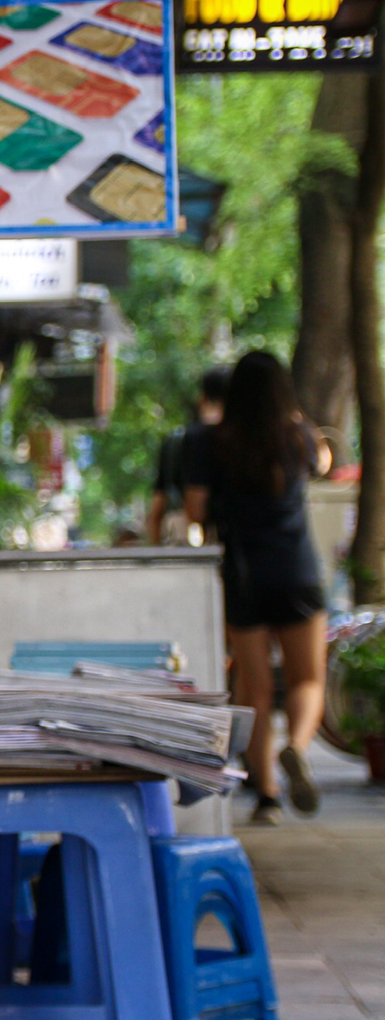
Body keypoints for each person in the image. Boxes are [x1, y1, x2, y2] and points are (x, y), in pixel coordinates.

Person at [184, 351, 330, 825]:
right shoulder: (298, 437)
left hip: (243, 575)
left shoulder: (210, 442)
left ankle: (266, 793)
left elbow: (195, 511)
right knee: (307, 677)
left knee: (255, 687)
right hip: (297, 572)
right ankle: (298, 747)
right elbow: (325, 462)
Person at [148, 366, 230, 545]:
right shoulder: (251, 442)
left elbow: (157, 509)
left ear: (202, 399)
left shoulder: (177, 440)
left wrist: (154, 554)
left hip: (184, 545)